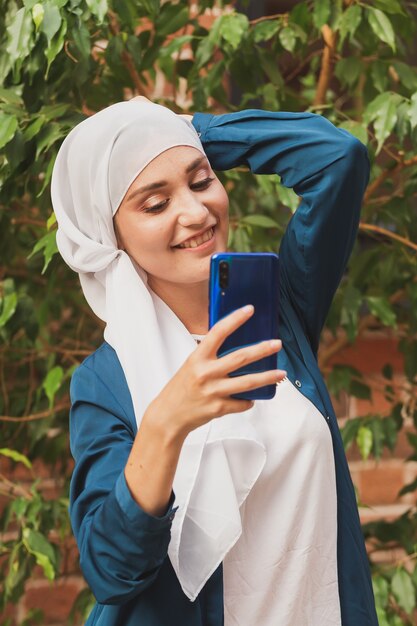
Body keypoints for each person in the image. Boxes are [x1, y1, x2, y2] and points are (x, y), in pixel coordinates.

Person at [51, 98, 379, 626]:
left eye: (201, 181)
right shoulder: (106, 381)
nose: (197, 212)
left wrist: (182, 131)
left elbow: (337, 158)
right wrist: (165, 423)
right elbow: (111, 570)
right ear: (111, 239)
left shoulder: (278, 316)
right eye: (155, 204)